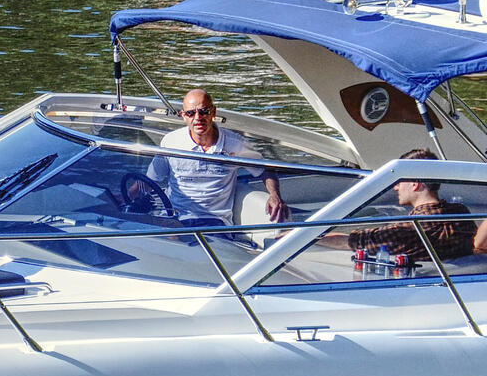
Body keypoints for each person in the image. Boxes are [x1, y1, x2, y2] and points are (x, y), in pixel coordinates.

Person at [146, 89, 286, 226]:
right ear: (183, 115)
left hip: (214, 222)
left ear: (213, 112)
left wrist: (275, 196)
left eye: (203, 111)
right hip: (174, 218)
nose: (197, 118)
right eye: (190, 113)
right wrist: (125, 197)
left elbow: (265, 170)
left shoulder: (235, 144)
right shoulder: (171, 141)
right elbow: (151, 180)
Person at [319, 148, 476, 260]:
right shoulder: (462, 214)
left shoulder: (408, 229)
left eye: (399, 181)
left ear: (415, 184)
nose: (395, 187)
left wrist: (304, 235)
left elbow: (353, 242)